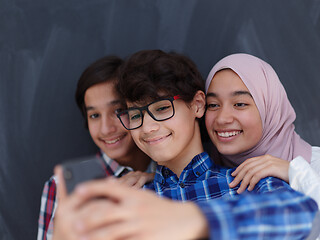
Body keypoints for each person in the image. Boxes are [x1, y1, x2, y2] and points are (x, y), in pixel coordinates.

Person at [51, 50, 318, 240]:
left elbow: (303, 213)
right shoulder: (134, 199)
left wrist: (196, 219)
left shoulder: (247, 181)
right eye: (135, 115)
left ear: (197, 105)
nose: (148, 127)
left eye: (162, 108)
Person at [37, 56, 155, 240]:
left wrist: (154, 177)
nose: (106, 128)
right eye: (94, 116)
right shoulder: (63, 186)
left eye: (118, 111)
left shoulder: (171, 173)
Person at [204, 53, 320, 207]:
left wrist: (292, 172)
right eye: (213, 105)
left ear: (269, 107)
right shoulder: (199, 181)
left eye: (239, 104)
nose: (222, 118)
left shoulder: (314, 167)